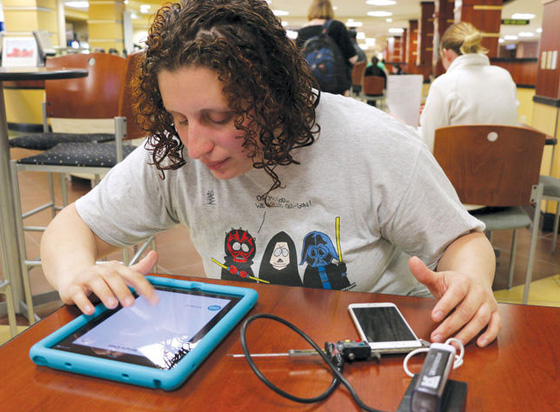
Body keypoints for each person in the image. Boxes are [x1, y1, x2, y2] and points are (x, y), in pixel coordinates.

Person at [41, 0, 500, 349]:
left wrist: (471, 284)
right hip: (245, 345)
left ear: (275, 96)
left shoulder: (376, 144)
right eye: (179, 118)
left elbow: (462, 243)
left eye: (219, 117)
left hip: (367, 350)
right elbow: (72, 226)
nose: (196, 146)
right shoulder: (176, 152)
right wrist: (77, 272)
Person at [420, 22, 519, 152]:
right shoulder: (504, 76)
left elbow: (428, 143)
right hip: (505, 168)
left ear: (447, 54)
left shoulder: (443, 83)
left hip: (456, 170)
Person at [296, 0, 358, 95]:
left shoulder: (303, 30)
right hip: (336, 84)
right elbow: (352, 58)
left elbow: (297, 58)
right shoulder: (337, 26)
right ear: (329, 10)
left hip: (310, 84)